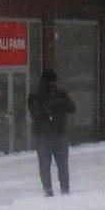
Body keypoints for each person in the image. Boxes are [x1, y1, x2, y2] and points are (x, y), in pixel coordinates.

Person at [27, 67, 76, 196]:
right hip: (45, 135)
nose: (52, 85)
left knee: (60, 164)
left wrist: (61, 101)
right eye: (50, 82)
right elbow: (35, 114)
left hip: (58, 134)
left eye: (53, 82)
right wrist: (51, 107)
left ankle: (64, 189)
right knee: (46, 164)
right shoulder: (36, 96)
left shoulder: (60, 94)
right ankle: (49, 189)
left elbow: (72, 108)